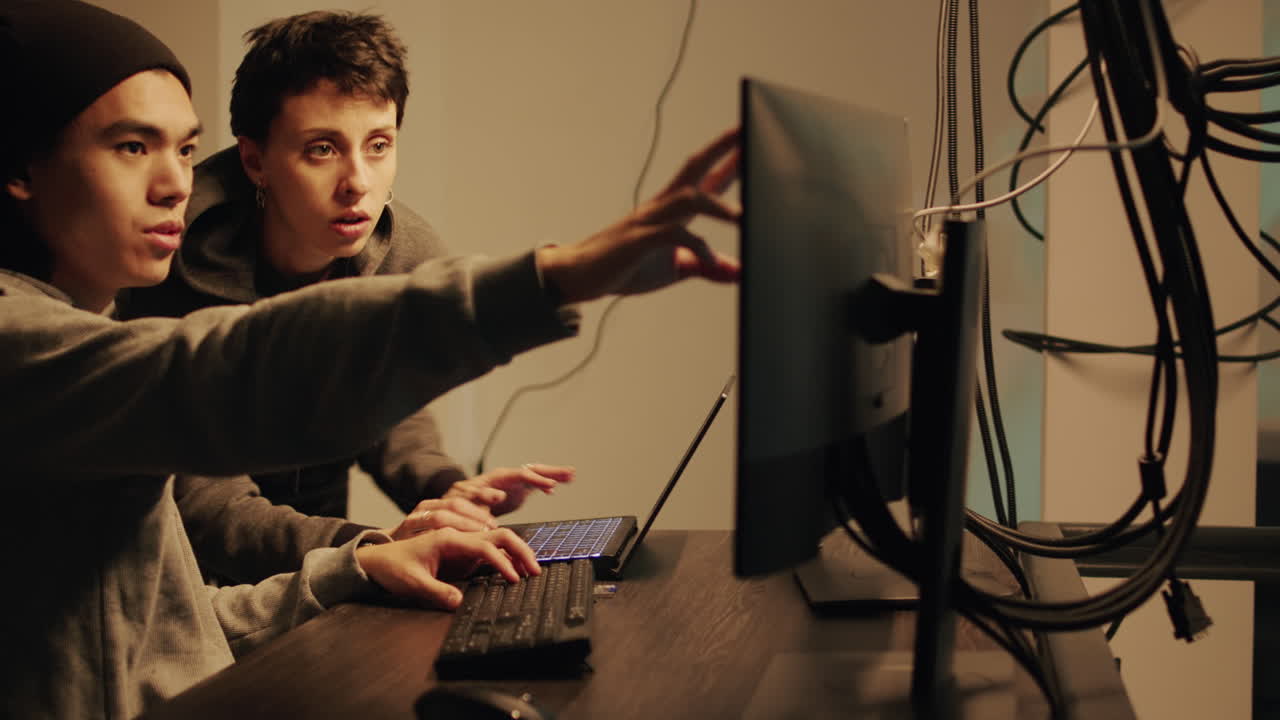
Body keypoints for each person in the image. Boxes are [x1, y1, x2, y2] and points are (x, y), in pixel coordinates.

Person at [0, 1, 739, 718]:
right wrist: (560, 273)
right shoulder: (31, 336)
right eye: (133, 147)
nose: (174, 184)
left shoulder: (78, 318)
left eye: (185, 150)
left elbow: (166, 627)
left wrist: (378, 552)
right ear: (18, 168)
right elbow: (217, 380)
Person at [119, 10, 576, 585]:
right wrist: (377, 547)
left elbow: (382, 406)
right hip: (185, 587)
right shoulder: (163, 258)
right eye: (322, 149)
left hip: (322, 559)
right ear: (255, 160)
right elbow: (207, 505)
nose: (358, 181)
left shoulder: (407, 255)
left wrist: (443, 490)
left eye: (378, 144)